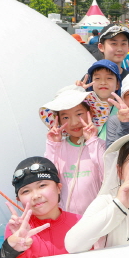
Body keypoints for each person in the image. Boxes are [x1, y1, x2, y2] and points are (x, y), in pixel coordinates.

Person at [40, 85, 105, 215]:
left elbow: (108, 173)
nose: (74, 122)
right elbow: (48, 179)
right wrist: (53, 145)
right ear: (57, 121)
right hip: (67, 221)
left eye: (79, 114)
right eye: (65, 117)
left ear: (91, 113)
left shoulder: (99, 145)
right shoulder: (57, 147)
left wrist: (92, 141)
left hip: (97, 220)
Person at [5, 156, 82, 258]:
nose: (36, 196)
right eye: (26, 191)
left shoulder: (80, 223)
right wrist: (15, 249)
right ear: (19, 199)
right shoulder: (15, 229)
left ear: (58, 188)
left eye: (42, 186)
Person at [79, 59, 123, 141]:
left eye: (109, 78)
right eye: (97, 78)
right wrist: (78, 92)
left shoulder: (123, 111)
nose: (103, 82)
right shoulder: (84, 109)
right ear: (91, 84)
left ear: (117, 85)